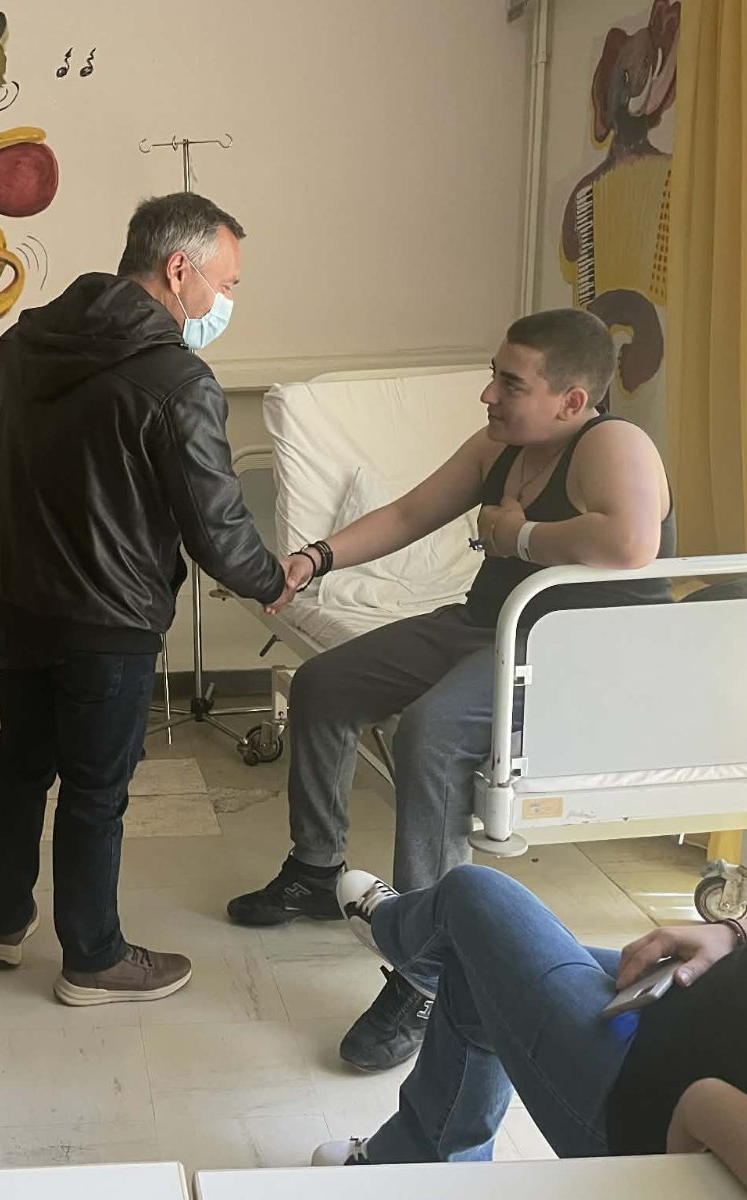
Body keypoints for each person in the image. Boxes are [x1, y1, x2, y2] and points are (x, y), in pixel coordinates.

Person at [227, 308, 674, 1071]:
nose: (488, 394)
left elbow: (631, 543)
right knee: (324, 684)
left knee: (431, 730)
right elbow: (411, 512)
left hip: (569, 650)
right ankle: (315, 870)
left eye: (510, 383)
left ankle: (428, 969)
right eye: (495, 375)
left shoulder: (614, 444)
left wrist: (518, 535)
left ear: (572, 400)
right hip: (486, 624)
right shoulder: (501, 447)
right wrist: (315, 559)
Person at [0, 192, 308, 1005]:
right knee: (95, 790)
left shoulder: (22, 345)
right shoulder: (177, 379)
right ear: (179, 269)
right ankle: (93, 959)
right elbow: (214, 526)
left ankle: (4, 922)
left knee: (20, 763)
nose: (227, 300)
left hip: (20, 603)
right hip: (110, 621)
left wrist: (9, 559)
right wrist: (273, 579)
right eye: (226, 283)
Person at [314, 864, 747, 1200]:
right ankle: (414, 1161)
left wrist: (700, 1106)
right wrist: (734, 933)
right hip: (694, 1004)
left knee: (470, 896)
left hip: (650, 1094)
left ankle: (399, 938)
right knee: (475, 965)